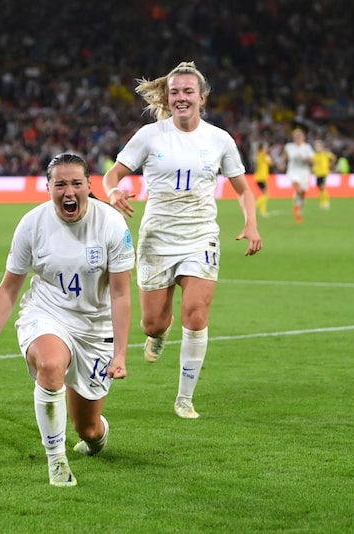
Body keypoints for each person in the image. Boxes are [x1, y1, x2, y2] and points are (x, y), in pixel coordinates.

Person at [102, 61, 262, 420]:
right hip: (157, 237)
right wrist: (113, 192)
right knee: (152, 324)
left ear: (202, 97)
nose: (181, 98)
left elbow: (243, 189)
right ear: (168, 97)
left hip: (200, 235)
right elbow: (113, 174)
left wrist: (251, 223)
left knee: (196, 314)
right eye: (175, 92)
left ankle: (184, 399)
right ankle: (158, 334)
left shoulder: (220, 139)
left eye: (188, 91)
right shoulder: (149, 135)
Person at [0, 152, 135, 487]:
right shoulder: (32, 224)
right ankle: (56, 461)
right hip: (46, 313)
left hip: (94, 328)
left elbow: (120, 294)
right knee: (49, 365)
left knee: (87, 429)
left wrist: (120, 354)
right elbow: (9, 288)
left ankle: (95, 437)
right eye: (60, 184)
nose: (68, 192)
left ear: (90, 186)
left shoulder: (112, 225)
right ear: (47, 187)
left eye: (76, 183)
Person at [279, 127, 314, 224]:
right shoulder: (289, 146)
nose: (298, 138)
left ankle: (299, 203)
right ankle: (297, 202)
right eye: (296, 136)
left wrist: (305, 158)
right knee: (298, 188)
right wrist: (281, 163)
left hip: (304, 171)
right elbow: (284, 155)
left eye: (300, 136)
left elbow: (312, 161)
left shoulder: (307, 147)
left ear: (303, 137)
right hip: (293, 171)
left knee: (302, 192)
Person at [312, 139, 336, 210]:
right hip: (317, 173)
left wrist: (330, 165)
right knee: (319, 187)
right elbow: (313, 163)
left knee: (322, 187)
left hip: (324, 172)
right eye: (316, 147)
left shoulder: (325, 153)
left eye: (318, 146)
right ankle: (322, 201)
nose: (317, 148)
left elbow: (334, 157)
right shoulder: (315, 155)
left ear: (322, 147)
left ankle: (325, 202)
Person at [253, 142, 272, 217]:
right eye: (265, 147)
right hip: (260, 178)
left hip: (261, 177)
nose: (266, 148)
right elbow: (270, 163)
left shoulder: (259, 155)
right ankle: (253, 206)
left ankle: (262, 211)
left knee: (265, 194)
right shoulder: (262, 155)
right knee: (266, 195)